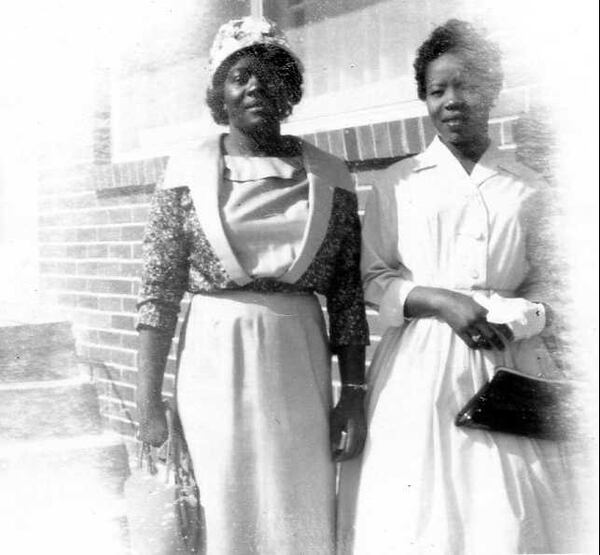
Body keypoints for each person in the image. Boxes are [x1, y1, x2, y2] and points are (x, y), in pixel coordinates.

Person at [337, 19, 585, 555]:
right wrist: (442, 301)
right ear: (424, 100)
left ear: (491, 91)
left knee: (507, 512)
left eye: (466, 86)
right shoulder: (397, 182)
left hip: (508, 361)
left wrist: (529, 314)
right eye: (436, 90)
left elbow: (555, 282)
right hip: (420, 366)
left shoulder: (528, 186)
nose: (452, 101)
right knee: (420, 514)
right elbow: (373, 277)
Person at [135, 16, 368, 555]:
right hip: (215, 358)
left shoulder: (331, 175)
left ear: (289, 91)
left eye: (269, 74)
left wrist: (351, 396)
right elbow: (158, 295)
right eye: (240, 76)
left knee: (298, 505)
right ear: (220, 93)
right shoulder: (185, 172)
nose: (255, 86)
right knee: (226, 505)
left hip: (299, 358)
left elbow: (348, 296)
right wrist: (148, 401)